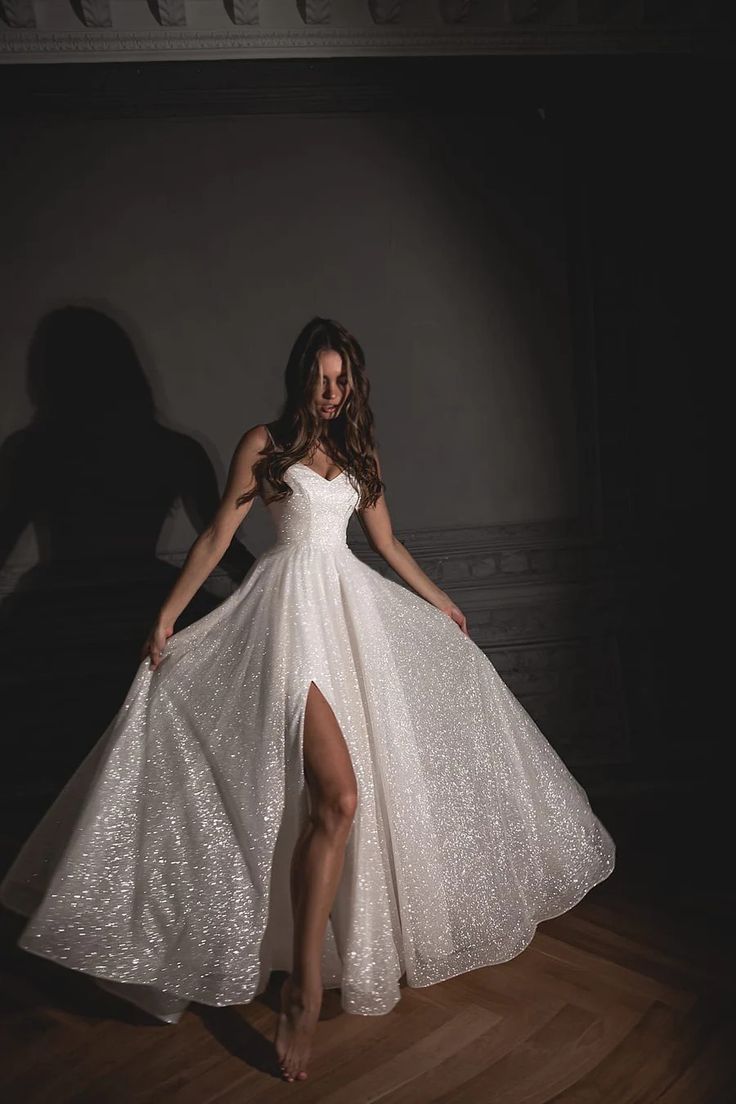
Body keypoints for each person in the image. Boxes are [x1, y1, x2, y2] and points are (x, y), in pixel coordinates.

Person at [0, 316, 615, 1083]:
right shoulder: (264, 445)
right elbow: (217, 534)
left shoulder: (360, 454)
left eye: (342, 380)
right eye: (321, 378)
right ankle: (303, 989)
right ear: (301, 378)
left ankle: (303, 967)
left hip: (351, 618)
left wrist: (440, 601)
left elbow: (386, 545)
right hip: (285, 618)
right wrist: (164, 614)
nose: (332, 392)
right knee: (340, 794)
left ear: (352, 384)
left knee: (339, 803)